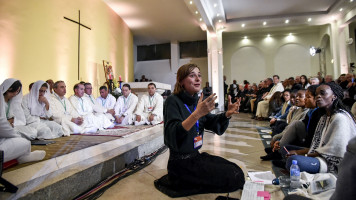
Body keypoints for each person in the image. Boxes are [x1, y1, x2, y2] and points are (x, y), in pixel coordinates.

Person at [154, 63, 245, 198]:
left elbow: (211, 121)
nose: (197, 79)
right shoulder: (173, 101)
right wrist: (197, 114)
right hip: (181, 164)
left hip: (196, 157)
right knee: (233, 177)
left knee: (235, 170)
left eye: (199, 75)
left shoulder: (196, 100)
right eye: (192, 75)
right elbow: (172, 133)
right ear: (181, 81)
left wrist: (227, 114)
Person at [284, 83, 356, 174]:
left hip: (333, 163)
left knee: (294, 160)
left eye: (322, 93)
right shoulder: (324, 117)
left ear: (334, 96)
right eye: (316, 94)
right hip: (319, 156)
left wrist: (304, 155)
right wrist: (303, 153)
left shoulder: (340, 117)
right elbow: (317, 145)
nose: (318, 97)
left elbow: (335, 152)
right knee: (286, 149)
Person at [0, 86, 46, 164]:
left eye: (17, 91)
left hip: (11, 129)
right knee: (24, 142)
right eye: (13, 91)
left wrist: (46, 104)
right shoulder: (25, 99)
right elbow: (27, 117)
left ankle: (22, 155)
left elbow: (47, 115)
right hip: (8, 131)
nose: (15, 93)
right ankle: (22, 156)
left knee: (26, 139)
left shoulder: (13, 102)